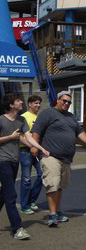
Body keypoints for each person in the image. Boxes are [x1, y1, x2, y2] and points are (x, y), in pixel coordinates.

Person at [31, 91, 86, 227]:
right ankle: (52, 215)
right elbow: (36, 130)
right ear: (57, 100)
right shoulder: (48, 113)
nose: (66, 104)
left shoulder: (71, 117)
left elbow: (80, 132)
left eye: (69, 102)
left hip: (66, 159)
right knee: (52, 185)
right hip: (50, 155)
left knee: (59, 186)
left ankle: (57, 212)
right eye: (64, 101)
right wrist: (35, 147)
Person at [0, 93, 50, 240]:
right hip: (2, 161)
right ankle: (17, 229)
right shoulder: (1, 120)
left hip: (15, 161)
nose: (21, 102)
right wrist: (11, 137)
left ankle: (17, 227)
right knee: (11, 195)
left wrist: (41, 149)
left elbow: (28, 138)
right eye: (18, 101)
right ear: (11, 105)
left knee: (4, 193)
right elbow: (13, 137)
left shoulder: (21, 120)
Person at [19, 95, 44, 215]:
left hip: (37, 151)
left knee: (42, 175)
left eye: (39, 103)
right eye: (35, 103)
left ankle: (30, 200)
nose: (38, 105)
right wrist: (31, 146)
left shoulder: (38, 117)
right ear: (29, 104)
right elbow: (19, 136)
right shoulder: (23, 117)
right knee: (26, 179)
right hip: (25, 151)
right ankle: (25, 206)